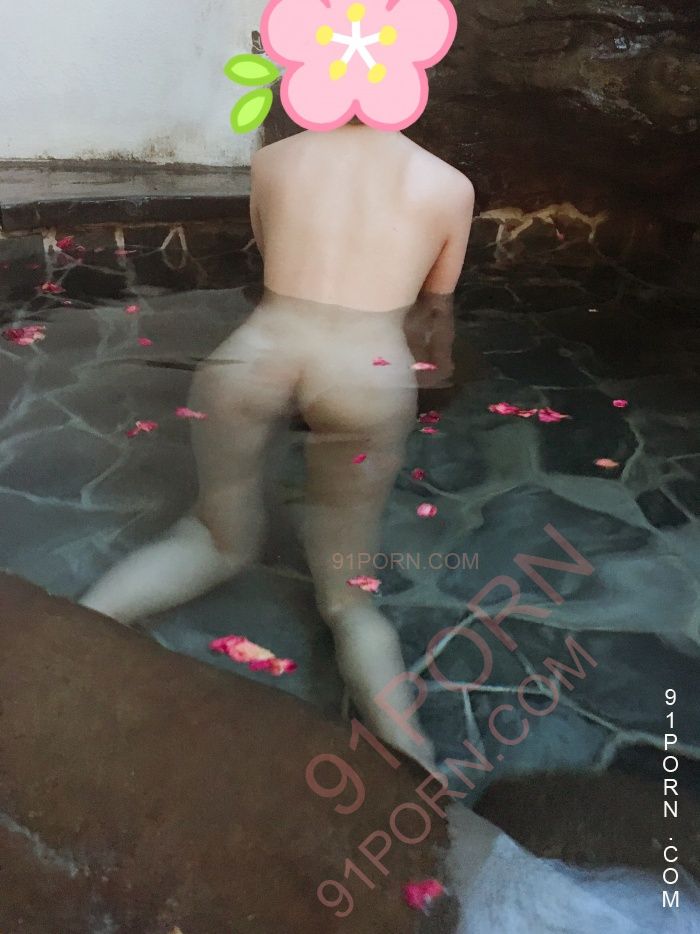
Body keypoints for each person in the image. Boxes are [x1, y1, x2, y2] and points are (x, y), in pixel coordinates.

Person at [79, 120, 475, 772]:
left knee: (214, 538)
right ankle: (413, 761)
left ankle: (74, 629)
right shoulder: (449, 186)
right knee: (348, 598)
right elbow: (435, 313)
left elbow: (271, 256)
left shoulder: (276, 160)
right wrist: (438, 380)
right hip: (366, 376)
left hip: (254, 360)